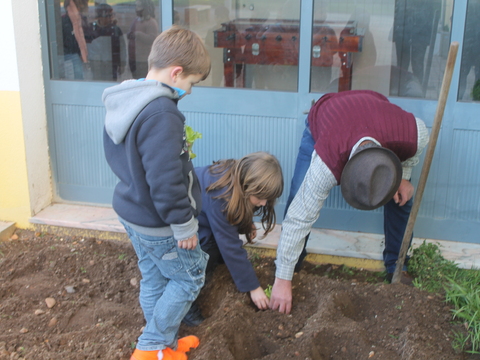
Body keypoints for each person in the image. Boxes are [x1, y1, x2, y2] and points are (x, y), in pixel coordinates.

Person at [102, 26, 211, 360]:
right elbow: (166, 180)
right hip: (160, 222)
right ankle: (150, 349)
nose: (189, 91)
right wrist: (183, 224)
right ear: (176, 72)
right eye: (191, 83)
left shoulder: (127, 99)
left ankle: (163, 343)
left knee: (154, 277)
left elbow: (117, 155)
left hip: (131, 210)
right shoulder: (162, 113)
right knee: (189, 278)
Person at [269, 90, 429, 314]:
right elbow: (299, 217)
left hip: (372, 108)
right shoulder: (327, 163)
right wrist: (282, 280)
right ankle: (290, 267)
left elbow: (419, 143)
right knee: (299, 196)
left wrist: (403, 175)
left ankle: (397, 266)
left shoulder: (412, 134)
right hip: (327, 115)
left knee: (401, 200)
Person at [183, 152, 284, 326]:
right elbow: (230, 245)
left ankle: (221, 265)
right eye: (260, 198)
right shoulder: (220, 196)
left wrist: (246, 223)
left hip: (200, 217)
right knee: (210, 249)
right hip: (183, 227)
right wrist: (253, 287)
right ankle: (186, 306)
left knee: (219, 246)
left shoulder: (237, 174)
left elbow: (236, 209)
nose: (264, 203)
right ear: (247, 185)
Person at [89, 4, 126, 81]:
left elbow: (122, 48)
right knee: (97, 82)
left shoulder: (115, 29)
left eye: (112, 15)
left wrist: (122, 64)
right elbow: (88, 47)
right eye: (108, 15)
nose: (111, 18)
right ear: (100, 16)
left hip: (112, 64)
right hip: (97, 64)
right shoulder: (92, 28)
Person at [128, 0, 159, 79]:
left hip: (144, 59)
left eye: (139, 6)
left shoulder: (151, 22)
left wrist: (138, 34)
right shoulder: (135, 21)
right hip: (133, 57)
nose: (136, 9)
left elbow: (152, 39)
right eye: (136, 6)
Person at [62, 0, 91, 79]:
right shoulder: (64, 21)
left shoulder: (82, 20)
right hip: (70, 55)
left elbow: (88, 36)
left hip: (79, 55)